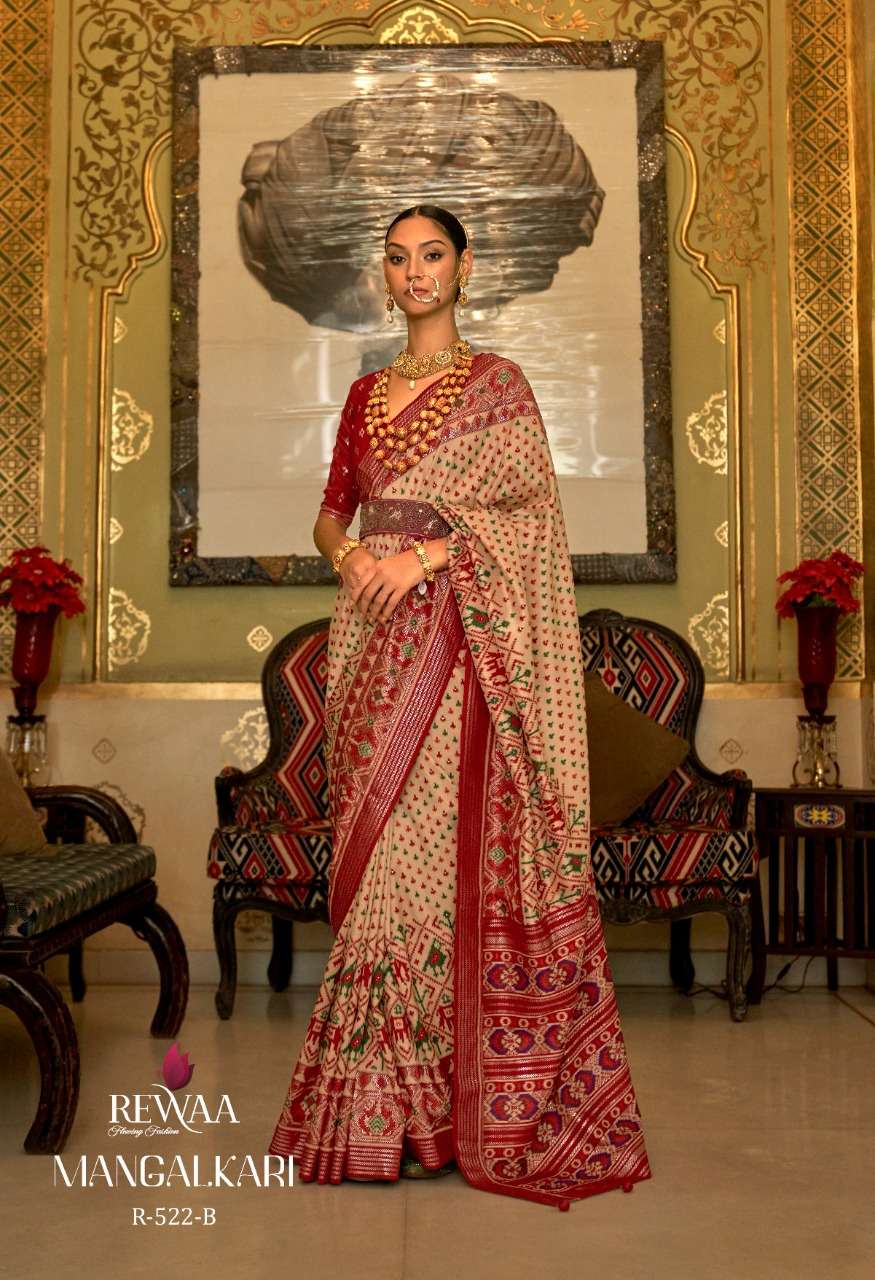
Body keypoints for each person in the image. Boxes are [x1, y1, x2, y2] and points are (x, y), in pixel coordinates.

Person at [268, 204, 650, 1209]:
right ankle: (376, 1117)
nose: (414, 272)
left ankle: (429, 1113)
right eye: (397, 258)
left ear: (463, 266)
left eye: (431, 254)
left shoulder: (498, 387)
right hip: (369, 646)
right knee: (374, 873)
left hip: (456, 650)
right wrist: (351, 554)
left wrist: (427, 555)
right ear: (384, 275)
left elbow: (531, 518)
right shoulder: (365, 394)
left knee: (417, 874)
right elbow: (329, 510)